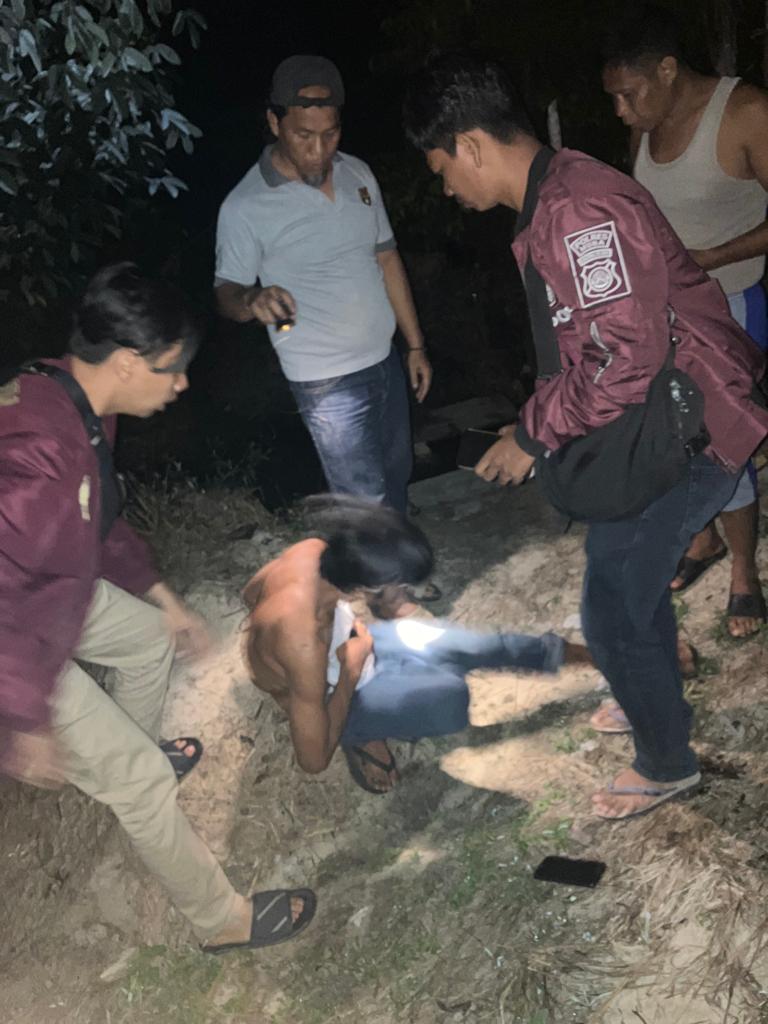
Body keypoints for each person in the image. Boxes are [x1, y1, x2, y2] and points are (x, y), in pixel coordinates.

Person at [402, 55, 768, 820]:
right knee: (625, 579)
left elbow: (625, 357)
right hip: (658, 419)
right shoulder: (558, 195)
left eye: (441, 169)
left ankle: (667, 764)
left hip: (691, 422)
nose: (447, 188)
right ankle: (647, 700)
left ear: (469, 146)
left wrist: (533, 435)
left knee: (613, 610)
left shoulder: (577, 210)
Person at [0, 264, 315, 953]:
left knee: (148, 639)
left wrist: (163, 599)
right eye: (172, 369)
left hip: (39, 587)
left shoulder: (72, 400)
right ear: (126, 361)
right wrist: (24, 718)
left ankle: (132, 763)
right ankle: (219, 921)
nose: (182, 385)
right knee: (139, 782)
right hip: (11, 629)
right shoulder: (40, 448)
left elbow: (97, 520)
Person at [602, 4, 768, 638]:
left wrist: (710, 258)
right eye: (614, 97)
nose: (621, 111)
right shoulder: (646, 124)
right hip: (663, 314)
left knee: (725, 440)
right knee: (679, 436)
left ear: (668, 70)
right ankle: (704, 539)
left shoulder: (745, 112)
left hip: (731, 307)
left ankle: (745, 574)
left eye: (628, 94)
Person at [242, 496, 590, 794]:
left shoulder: (312, 551)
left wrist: (337, 637)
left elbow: (250, 593)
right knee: (450, 700)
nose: (407, 596)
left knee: (465, 645)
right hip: (329, 683)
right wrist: (348, 670)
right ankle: (357, 732)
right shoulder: (302, 642)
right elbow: (313, 761)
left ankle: (574, 653)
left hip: (351, 644)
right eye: (403, 588)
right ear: (372, 587)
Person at [215, 55, 431, 519]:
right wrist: (252, 299)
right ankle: (384, 564)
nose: (319, 150)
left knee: (397, 471)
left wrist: (414, 345)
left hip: (385, 360)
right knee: (363, 498)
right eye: (303, 135)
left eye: (330, 134)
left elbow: (387, 258)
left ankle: (392, 550)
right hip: (325, 380)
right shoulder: (245, 206)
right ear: (274, 123)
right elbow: (226, 292)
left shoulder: (359, 174)